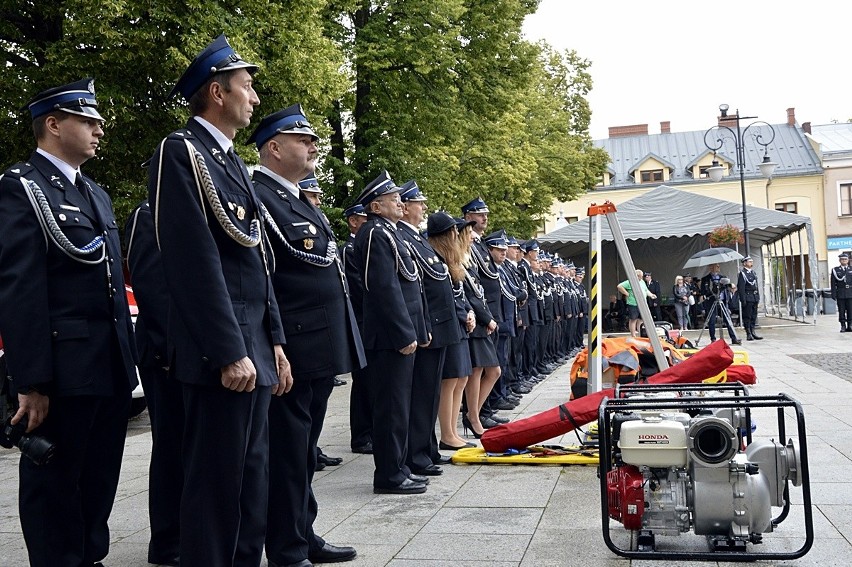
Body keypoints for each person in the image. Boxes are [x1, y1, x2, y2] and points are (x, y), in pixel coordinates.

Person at [147, 34, 292, 566]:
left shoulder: (229, 162)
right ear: (216, 92)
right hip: (221, 352)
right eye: (246, 87)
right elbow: (191, 262)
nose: (254, 98)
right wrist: (230, 349)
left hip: (253, 343)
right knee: (214, 488)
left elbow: (256, 261)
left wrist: (274, 339)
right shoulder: (180, 151)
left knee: (250, 482)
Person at [0, 77, 138, 567]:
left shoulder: (95, 194)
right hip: (63, 370)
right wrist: (31, 381)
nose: (100, 129)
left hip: (108, 365)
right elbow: (21, 289)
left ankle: (89, 557)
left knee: (99, 477)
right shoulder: (22, 187)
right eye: (88, 120)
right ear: (54, 125)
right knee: (55, 482)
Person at [248, 105, 363, 566]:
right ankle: (287, 546)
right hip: (291, 343)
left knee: (302, 453)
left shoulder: (293, 198)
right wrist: (274, 344)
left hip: (315, 344)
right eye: (302, 140)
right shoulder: (259, 196)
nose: (313, 146)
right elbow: (264, 278)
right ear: (273, 148)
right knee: (287, 453)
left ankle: (302, 532)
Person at [353, 171, 430, 494]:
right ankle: (388, 474)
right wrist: (403, 333)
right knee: (390, 408)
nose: (400, 203)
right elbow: (382, 288)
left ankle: (398, 467)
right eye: (393, 199)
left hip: (402, 334)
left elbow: (412, 287)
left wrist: (420, 329)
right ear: (375, 206)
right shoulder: (374, 233)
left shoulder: (391, 232)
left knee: (401, 406)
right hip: (388, 339)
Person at [125, 201, 183, 566]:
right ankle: (167, 542)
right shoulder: (150, 214)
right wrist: (173, 352)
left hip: (194, 352)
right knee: (172, 446)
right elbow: (152, 288)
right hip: (167, 354)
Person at [397, 181, 459, 474]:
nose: (423, 208)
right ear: (406, 207)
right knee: (421, 395)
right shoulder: (403, 239)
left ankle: (428, 449)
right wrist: (422, 327)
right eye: (418, 203)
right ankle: (417, 454)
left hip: (439, 326)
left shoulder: (418, 240)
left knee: (430, 393)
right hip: (428, 327)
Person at [425, 212, 475, 450]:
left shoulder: (449, 260)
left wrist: (469, 312)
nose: (458, 236)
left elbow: (459, 294)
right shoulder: (436, 257)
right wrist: (463, 314)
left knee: (461, 377)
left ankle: (452, 431)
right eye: (453, 232)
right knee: (450, 380)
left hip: (458, 323)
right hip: (448, 323)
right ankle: (447, 433)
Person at [340, 203, 373, 453]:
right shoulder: (350, 249)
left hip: (370, 320)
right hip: (362, 320)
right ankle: (361, 435)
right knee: (363, 381)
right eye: (363, 218)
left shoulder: (364, 245)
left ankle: (369, 430)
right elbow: (358, 287)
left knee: (371, 381)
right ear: (353, 221)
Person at [700, 263, 741, 345]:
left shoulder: (723, 278)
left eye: (718, 266)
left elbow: (727, 288)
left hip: (722, 301)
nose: (717, 268)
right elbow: (703, 291)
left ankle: (734, 338)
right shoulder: (705, 279)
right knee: (711, 321)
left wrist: (730, 286)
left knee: (728, 320)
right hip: (711, 302)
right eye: (715, 266)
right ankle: (713, 339)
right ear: (710, 268)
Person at [617, 269, 656, 337]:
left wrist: (651, 295)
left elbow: (646, 290)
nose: (641, 278)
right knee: (633, 319)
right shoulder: (629, 282)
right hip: (633, 303)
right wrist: (626, 293)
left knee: (641, 319)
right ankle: (633, 334)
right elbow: (619, 286)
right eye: (640, 276)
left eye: (641, 276)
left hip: (642, 303)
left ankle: (640, 333)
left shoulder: (642, 282)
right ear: (636, 276)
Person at [737, 256, 763, 341]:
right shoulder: (742, 274)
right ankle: (748, 333)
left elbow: (756, 286)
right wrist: (743, 299)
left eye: (752, 261)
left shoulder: (753, 273)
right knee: (747, 316)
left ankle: (753, 332)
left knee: (753, 316)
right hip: (747, 297)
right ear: (745, 263)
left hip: (754, 297)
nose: (751, 263)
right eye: (749, 261)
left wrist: (758, 297)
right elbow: (741, 288)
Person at [831, 252, 852, 332]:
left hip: (850, 293)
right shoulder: (835, 270)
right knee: (841, 310)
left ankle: (850, 325)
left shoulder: (851, 269)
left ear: (848, 260)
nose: (844, 261)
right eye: (842, 259)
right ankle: (843, 325)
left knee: (850, 310)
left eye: (845, 259)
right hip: (840, 293)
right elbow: (833, 283)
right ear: (840, 260)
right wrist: (833, 293)